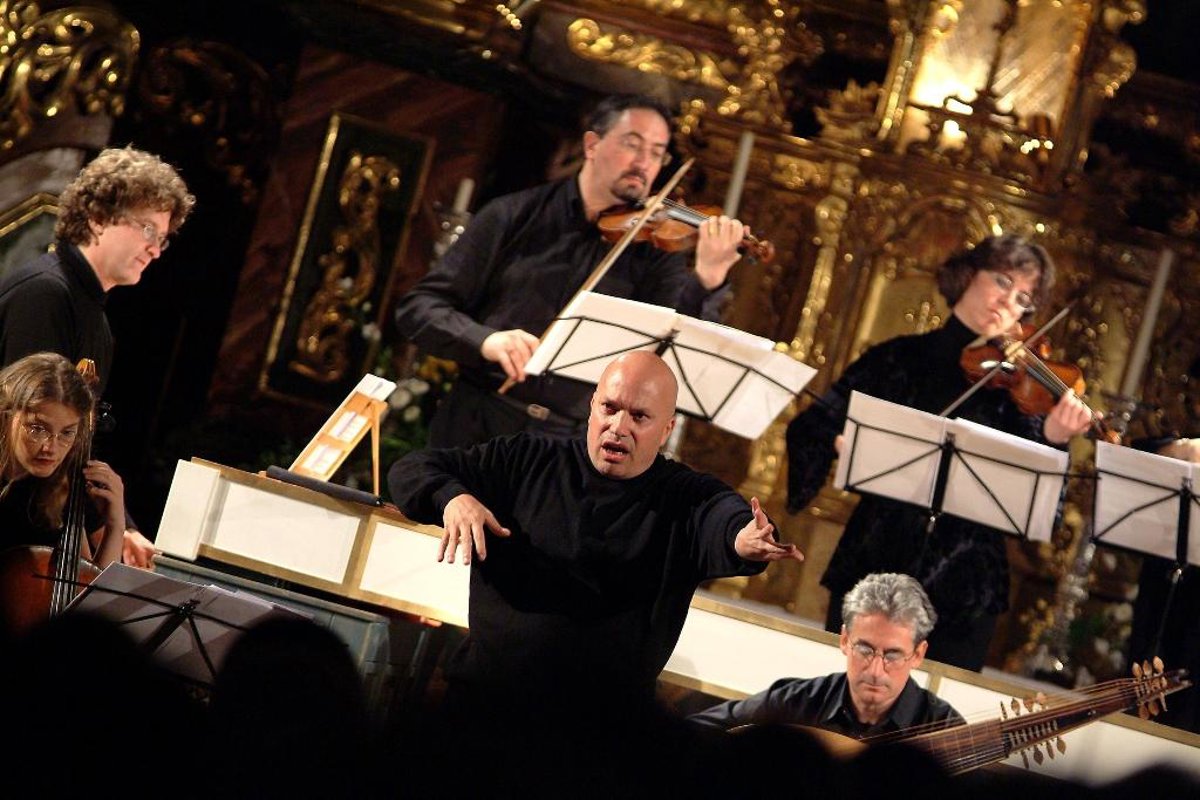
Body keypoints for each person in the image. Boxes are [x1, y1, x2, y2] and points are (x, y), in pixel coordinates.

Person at [387, 351, 802, 711]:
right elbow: (412, 468)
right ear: (591, 406)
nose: (618, 427)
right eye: (609, 408)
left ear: (666, 430)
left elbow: (724, 519)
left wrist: (742, 538)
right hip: (486, 702)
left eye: (639, 416)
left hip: (602, 734)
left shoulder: (686, 497)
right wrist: (453, 498)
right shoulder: (528, 458)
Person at [786, 235, 1094, 671]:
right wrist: (841, 442)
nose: (1009, 302)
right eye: (1002, 281)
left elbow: (1040, 508)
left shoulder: (1019, 396)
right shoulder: (896, 358)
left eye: (1024, 298)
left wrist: (1053, 438)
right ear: (967, 275)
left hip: (965, 583)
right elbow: (813, 425)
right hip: (876, 558)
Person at [394, 93, 751, 448]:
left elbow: (672, 358)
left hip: (573, 444)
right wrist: (485, 340)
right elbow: (420, 308)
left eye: (657, 153)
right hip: (475, 423)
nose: (644, 162)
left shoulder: (655, 251)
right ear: (592, 145)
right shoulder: (512, 215)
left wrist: (708, 278)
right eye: (632, 144)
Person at [0, 146, 195, 568]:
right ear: (97, 216)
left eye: (162, 238)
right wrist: (102, 531)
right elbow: (29, 436)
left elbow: (74, 442)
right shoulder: (45, 295)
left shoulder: (95, 318)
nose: (155, 249)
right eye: (147, 228)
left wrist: (120, 524)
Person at [688, 572, 963, 738]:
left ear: (918, 654)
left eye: (892, 655)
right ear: (844, 640)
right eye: (865, 649)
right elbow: (698, 729)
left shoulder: (946, 729)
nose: (875, 671)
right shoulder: (799, 703)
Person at [0, 353, 127, 637]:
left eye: (67, 433)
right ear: (7, 415)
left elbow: (89, 598)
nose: (51, 448)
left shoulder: (63, 489)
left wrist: (116, 525)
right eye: (38, 429)